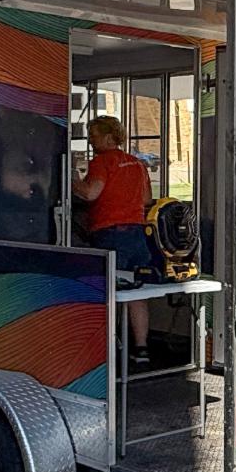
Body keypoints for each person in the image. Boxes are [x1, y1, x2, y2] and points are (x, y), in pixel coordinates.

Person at [71, 115, 154, 365]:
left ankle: (103, 351)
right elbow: (146, 199)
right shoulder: (137, 163)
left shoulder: (101, 162)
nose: (90, 140)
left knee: (103, 291)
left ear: (108, 137)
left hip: (110, 233)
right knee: (137, 293)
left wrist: (71, 179)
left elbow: (90, 193)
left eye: (94, 136)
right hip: (137, 233)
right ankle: (141, 349)